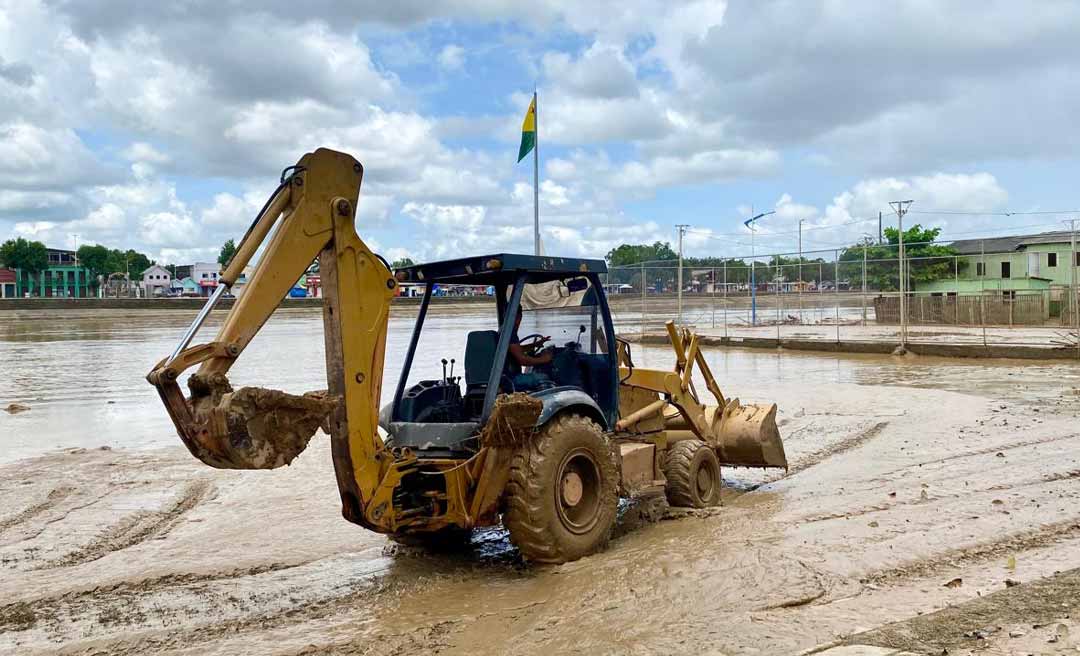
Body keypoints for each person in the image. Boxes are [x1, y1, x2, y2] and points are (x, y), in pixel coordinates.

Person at [505, 307, 552, 390]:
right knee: (544, 377)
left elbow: (516, 350)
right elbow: (523, 361)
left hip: (507, 376)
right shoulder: (510, 333)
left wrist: (535, 344)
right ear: (517, 317)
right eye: (519, 318)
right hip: (511, 379)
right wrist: (544, 359)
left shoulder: (505, 330)